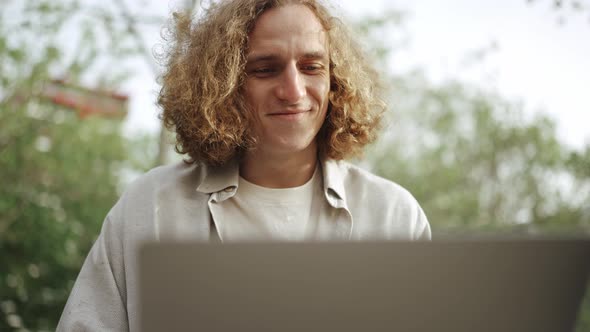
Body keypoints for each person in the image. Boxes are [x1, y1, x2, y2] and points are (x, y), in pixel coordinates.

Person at [57, 0, 431, 330]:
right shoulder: (150, 207)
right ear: (224, 84)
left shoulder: (394, 217)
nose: (294, 91)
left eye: (311, 66)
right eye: (265, 69)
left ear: (335, 80)